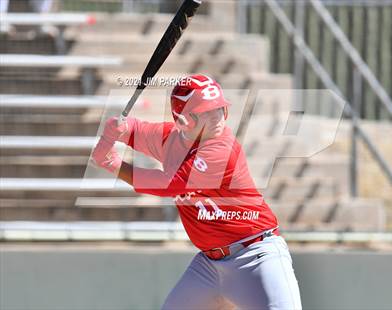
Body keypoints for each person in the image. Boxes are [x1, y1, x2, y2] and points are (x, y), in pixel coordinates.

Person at [92, 75, 302, 309]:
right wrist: (118, 127)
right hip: (209, 267)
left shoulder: (221, 148)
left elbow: (169, 184)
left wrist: (113, 164)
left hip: (256, 256)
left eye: (219, 109)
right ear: (183, 121)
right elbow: (137, 131)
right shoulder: (171, 138)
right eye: (206, 112)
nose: (217, 118)